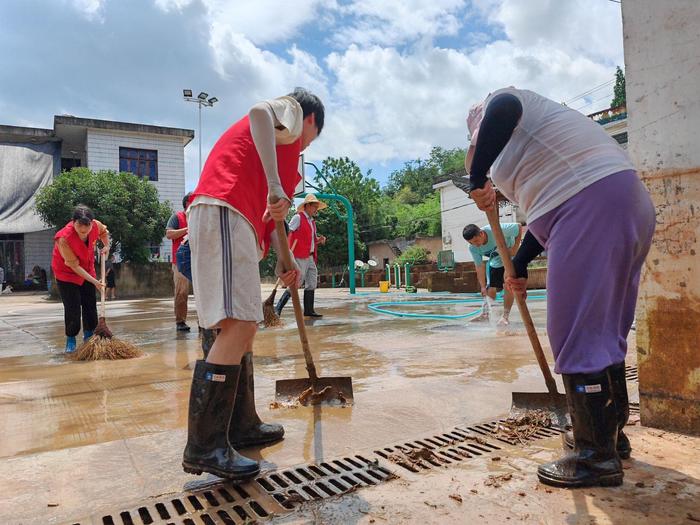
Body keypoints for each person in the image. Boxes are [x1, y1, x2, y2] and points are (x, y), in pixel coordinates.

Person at [463, 87, 655, 488]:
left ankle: (594, 457)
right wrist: (517, 263)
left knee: (575, 331)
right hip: (622, 201)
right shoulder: (543, 149)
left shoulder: (505, 104)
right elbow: (541, 219)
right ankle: (609, 437)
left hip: (590, 204)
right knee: (604, 329)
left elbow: (503, 107)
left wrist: (476, 176)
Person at [183, 87, 324, 481]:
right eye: (312, 137)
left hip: (238, 218)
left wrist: (285, 259)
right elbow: (259, 111)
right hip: (226, 206)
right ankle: (205, 447)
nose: (306, 145)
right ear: (311, 121)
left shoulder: (280, 161)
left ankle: (240, 425)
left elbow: (272, 218)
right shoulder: (293, 115)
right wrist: (276, 183)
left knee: (240, 328)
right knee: (238, 323)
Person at [51, 204, 110, 353]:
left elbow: (104, 232)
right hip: (67, 273)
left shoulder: (96, 225)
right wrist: (95, 282)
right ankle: (71, 339)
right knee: (73, 308)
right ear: (73, 222)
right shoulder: (63, 238)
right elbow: (74, 267)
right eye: (79, 229)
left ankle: (89, 336)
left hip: (87, 268)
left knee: (90, 305)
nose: (83, 232)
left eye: (87, 229)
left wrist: (107, 246)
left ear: (91, 222)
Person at [274, 194, 327, 318]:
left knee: (312, 282)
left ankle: (309, 310)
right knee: (296, 283)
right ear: (307, 206)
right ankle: (278, 309)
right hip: (299, 256)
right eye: (314, 207)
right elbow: (288, 233)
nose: (315, 210)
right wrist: (285, 253)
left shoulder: (312, 222)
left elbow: (312, 240)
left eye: (316, 207)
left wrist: (319, 240)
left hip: (310, 257)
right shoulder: (298, 217)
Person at [462, 222, 521, 325]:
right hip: (495, 260)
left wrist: (515, 248)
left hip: (510, 256)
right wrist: (482, 286)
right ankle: (485, 315)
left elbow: (519, 226)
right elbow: (479, 266)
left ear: (481, 233)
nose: (475, 244)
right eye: (471, 242)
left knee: (508, 283)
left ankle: (505, 316)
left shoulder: (496, 230)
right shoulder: (472, 248)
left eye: (476, 241)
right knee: (489, 288)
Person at [166, 193, 192, 331]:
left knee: (204, 293)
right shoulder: (177, 217)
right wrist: (187, 230)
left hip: (199, 260)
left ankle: (205, 323)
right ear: (188, 203)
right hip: (180, 261)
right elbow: (169, 234)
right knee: (181, 292)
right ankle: (180, 321)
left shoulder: (200, 217)